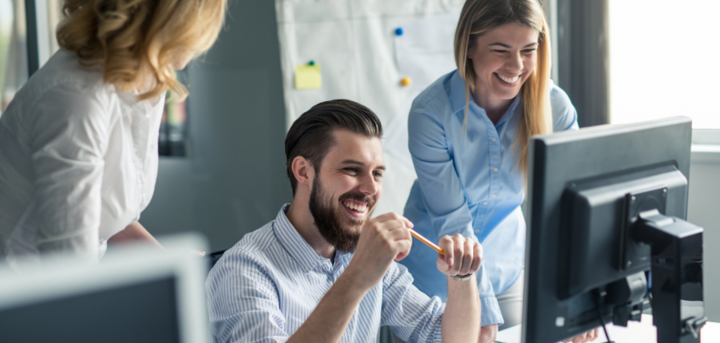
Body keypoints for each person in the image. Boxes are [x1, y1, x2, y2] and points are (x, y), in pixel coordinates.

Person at [206, 100, 496, 343]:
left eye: (378, 173)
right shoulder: (244, 270)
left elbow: (449, 338)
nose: (371, 189)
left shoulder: (363, 256)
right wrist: (357, 277)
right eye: (352, 170)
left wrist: (461, 277)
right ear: (303, 172)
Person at [398, 0, 599, 341]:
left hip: (507, 268)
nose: (517, 65)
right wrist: (480, 310)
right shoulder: (430, 114)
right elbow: (453, 223)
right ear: (470, 47)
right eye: (501, 49)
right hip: (436, 275)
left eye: (528, 50)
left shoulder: (554, 107)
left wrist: (578, 295)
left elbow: (569, 211)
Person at [0, 0, 226, 266]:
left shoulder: (145, 76)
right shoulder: (76, 98)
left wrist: (167, 262)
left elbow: (105, 211)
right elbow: (70, 267)